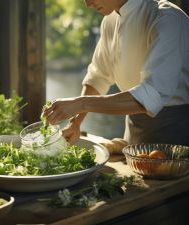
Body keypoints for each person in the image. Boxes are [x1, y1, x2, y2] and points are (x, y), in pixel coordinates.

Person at [43, 0, 189, 146]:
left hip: (176, 136)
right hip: (133, 137)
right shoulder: (110, 20)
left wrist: (80, 104)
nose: (88, 4)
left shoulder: (168, 18)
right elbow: (98, 77)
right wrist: (75, 122)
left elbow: (152, 93)